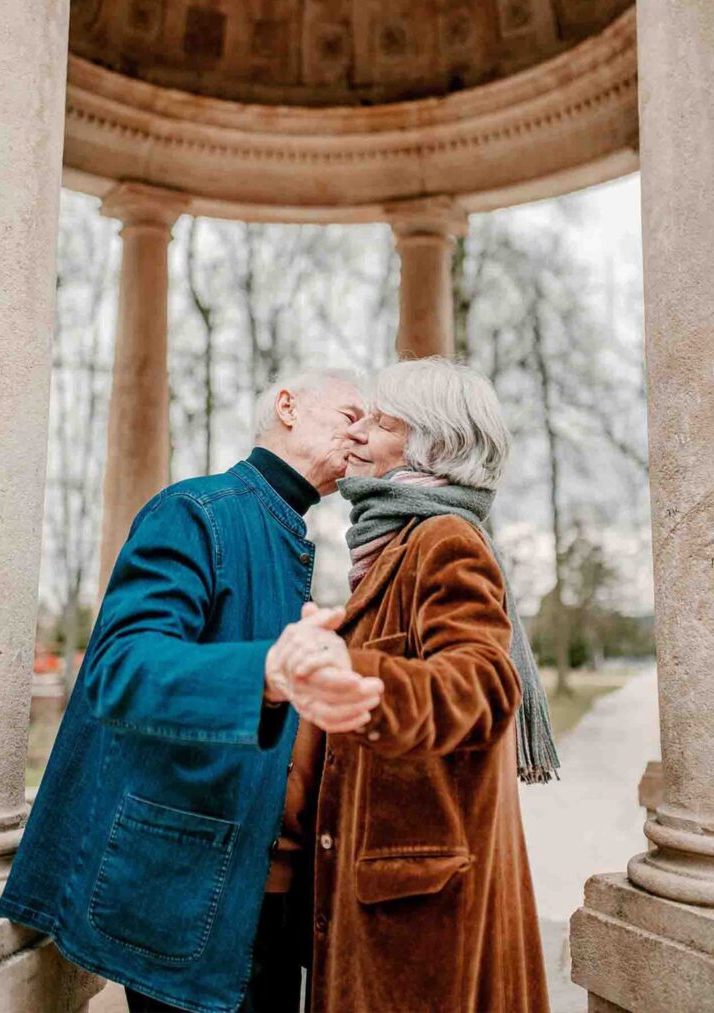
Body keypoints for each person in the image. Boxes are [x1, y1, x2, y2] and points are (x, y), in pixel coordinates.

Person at [0, 368, 382, 1013]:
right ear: (287, 406)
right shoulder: (194, 511)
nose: (364, 435)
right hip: (187, 891)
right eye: (351, 415)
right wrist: (264, 674)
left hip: (269, 898)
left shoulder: (294, 535)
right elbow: (121, 666)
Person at [271, 357, 558, 1013]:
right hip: (390, 900)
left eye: (381, 419)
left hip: (422, 920)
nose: (360, 432)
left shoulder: (443, 538)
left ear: (432, 442)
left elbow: (484, 683)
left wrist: (361, 678)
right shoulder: (391, 545)